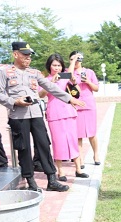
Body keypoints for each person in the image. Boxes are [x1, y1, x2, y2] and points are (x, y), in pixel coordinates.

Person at [0, 42, 83, 192]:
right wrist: (14, 101)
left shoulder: (35, 73)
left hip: (35, 114)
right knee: (24, 148)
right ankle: (30, 181)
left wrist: (69, 99)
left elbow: (51, 87)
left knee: (43, 145)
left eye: (29, 55)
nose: (28, 58)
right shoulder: (4, 73)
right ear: (16, 54)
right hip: (18, 115)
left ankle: (52, 179)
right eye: (25, 55)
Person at [38, 53, 88, 182]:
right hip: (54, 113)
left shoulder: (64, 76)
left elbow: (71, 74)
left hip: (69, 112)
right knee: (58, 142)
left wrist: (73, 61)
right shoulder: (44, 79)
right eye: (54, 65)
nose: (57, 68)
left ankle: (78, 169)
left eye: (59, 65)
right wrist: (51, 83)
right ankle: (60, 171)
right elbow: (41, 94)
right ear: (49, 66)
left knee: (73, 140)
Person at [69, 51, 100, 167]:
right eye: (73, 59)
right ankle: (80, 159)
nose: (76, 61)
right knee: (78, 135)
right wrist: (73, 62)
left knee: (92, 133)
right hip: (76, 105)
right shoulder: (69, 72)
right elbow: (69, 78)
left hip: (89, 105)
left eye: (78, 59)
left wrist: (87, 81)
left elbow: (96, 88)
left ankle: (96, 154)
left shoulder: (89, 72)